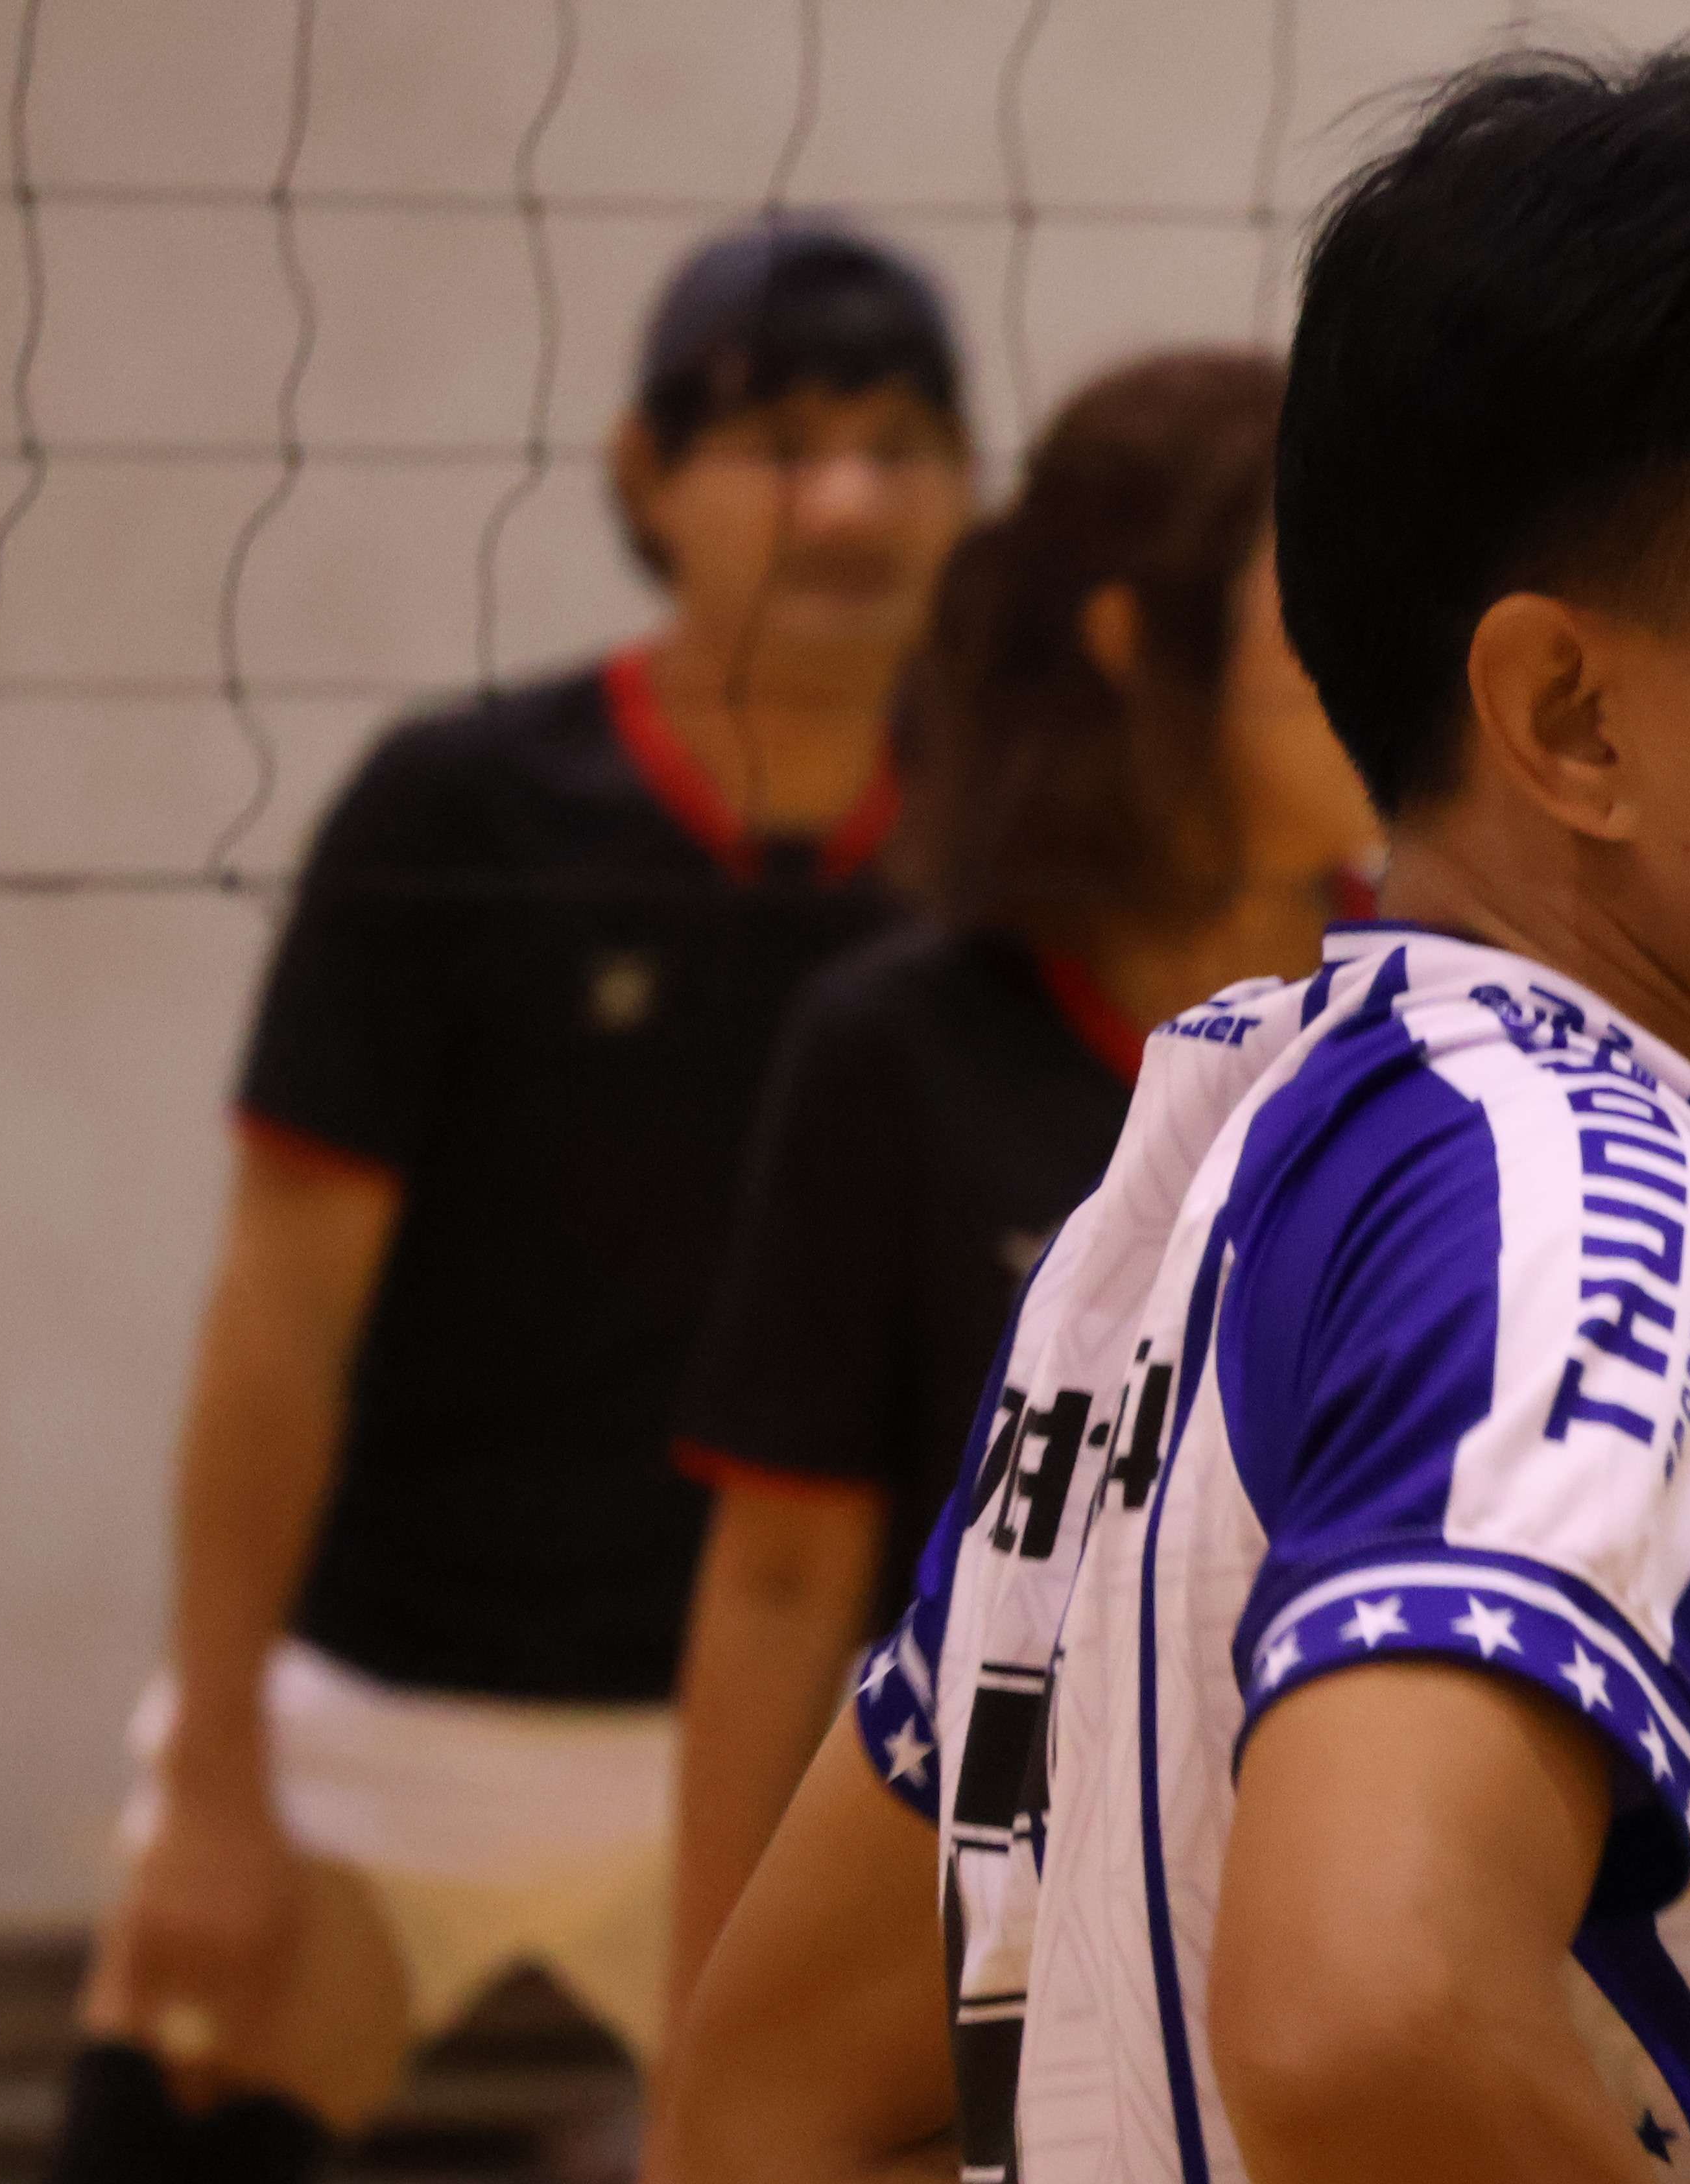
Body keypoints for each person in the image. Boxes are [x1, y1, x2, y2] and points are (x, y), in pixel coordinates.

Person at [662, 42, 1690, 2184]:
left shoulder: (1209, 1189)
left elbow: (751, 2101)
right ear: (1573, 716)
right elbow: (1370, 2019)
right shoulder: (1593, 1198)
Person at [53, 220, 971, 2184]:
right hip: (400, 1707)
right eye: (785, 443)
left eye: (902, 445)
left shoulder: (1005, 858)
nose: (848, 502)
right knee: (163, 2128)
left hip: (802, 1746)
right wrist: (214, 1772)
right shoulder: (459, 814)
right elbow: (278, 1315)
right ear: (647, 473)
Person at [658, 348, 1379, 2034]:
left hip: (1338, 1891)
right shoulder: (900, 1047)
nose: (1391, 656)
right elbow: (782, 1576)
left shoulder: (1439, 1012)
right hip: (997, 1917)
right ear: (1136, 642)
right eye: (1324, 607)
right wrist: (703, 2044)